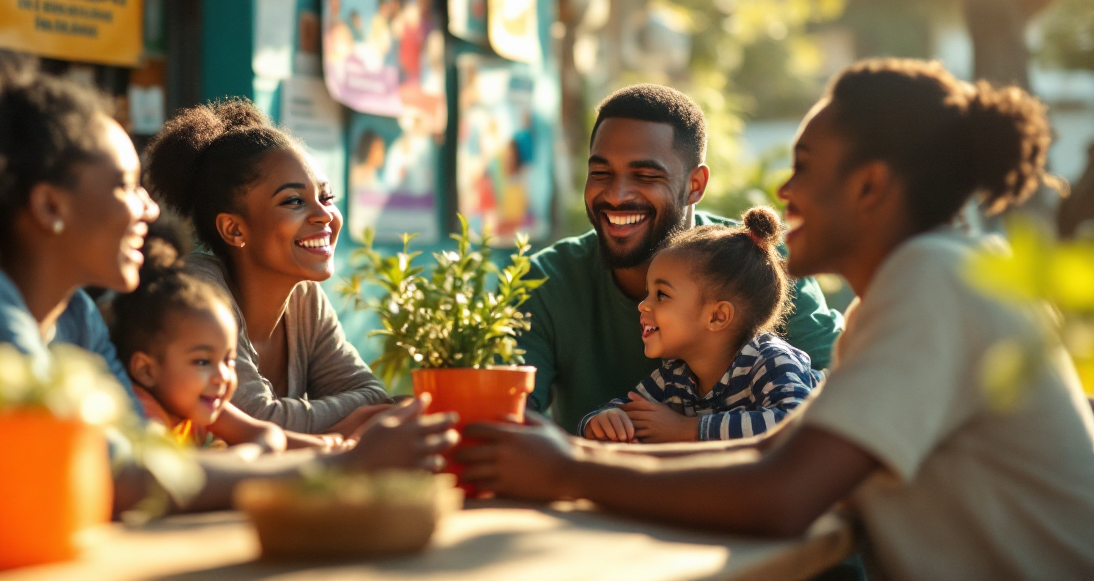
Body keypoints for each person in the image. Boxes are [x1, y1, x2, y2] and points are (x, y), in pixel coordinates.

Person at [0, 52, 456, 557]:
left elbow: (144, 462)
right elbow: (116, 480)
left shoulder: (77, 316)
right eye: (123, 184)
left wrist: (292, 456)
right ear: (51, 206)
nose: (149, 208)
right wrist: (337, 464)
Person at [460, 59, 1094, 580]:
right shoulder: (915, 288)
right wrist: (566, 456)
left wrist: (570, 471)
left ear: (870, 187)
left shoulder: (935, 280)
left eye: (806, 168)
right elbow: (769, 451)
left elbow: (783, 493)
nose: (784, 192)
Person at [519, 84, 843, 432]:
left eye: (645, 176)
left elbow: (845, 400)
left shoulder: (760, 264)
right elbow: (507, 417)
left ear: (695, 184)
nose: (616, 195)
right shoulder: (547, 280)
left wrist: (690, 432)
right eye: (601, 173)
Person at [145, 99, 393, 436]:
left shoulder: (305, 299)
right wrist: (352, 422)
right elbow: (258, 421)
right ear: (234, 229)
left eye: (327, 197)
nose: (324, 215)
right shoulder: (197, 294)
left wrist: (357, 417)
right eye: (294, 201)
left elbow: (375, 396)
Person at [581, 207, 821, 444]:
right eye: (648, 293)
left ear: (717, 316)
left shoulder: (770, 360)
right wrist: (604, 419)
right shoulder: (676, 375)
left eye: (661, 294)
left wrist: (689, 429)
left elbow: (794, 424)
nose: (643, 305)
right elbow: (631, 409)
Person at [112, 254, 342, 451]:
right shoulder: (141, 413)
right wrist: (246, 456)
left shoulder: (196, 403)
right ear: (146, 370)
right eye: (202, 361)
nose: (223, 375)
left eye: (229, 360)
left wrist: (327, 447)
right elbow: (180, 477)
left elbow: (268, 435)